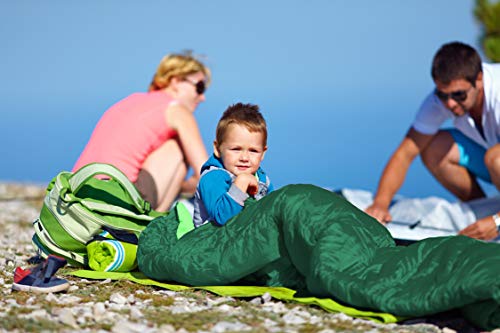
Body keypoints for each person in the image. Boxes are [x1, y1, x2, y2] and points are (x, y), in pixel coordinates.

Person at [365, 41, 500, 240]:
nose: (450, 104)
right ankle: (482, 213)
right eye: (442, 95)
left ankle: (493, 222)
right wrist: (380, 205)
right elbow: (405, 153)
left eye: (459, 95)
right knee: (433, 148)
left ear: (479, 79)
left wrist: (497, 223)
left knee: (495, 159)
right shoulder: (441, 102)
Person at [73, 51, 210, 211]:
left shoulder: (132, 99)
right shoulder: (177, 110)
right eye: (199, 87)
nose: (202, 97)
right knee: (178, 147)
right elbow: (205, 174)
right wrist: (183, 187)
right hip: (116, 200)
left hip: (77, 194)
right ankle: (151, 227)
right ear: (176, 81)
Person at [193, 103, 274, 228]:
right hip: (211, 242)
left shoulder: (263, 180)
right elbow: (221, 217)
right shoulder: (212, 177)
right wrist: (240, 184)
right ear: (217, 149)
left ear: (263, 153)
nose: (244, 158)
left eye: (253, 151)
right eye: (236, 149)